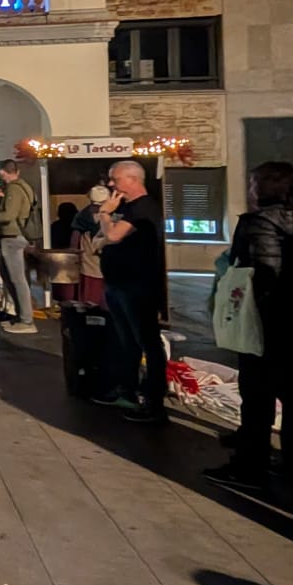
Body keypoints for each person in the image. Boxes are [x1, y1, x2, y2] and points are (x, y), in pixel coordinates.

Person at [205, 162, 293, 494]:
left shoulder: (259, 222)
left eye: (254, 183)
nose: (251, 189)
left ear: (266, 187)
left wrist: (251, 309)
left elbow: (264, 271)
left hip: (265, 314)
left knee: (256, 392)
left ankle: (250, 465)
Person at [96, 158, 166, 420]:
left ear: (133, 179)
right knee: (126, 341)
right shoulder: (130, 208)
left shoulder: (143, 208)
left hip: (137, 287)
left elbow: (114, 236)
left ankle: (153, 401)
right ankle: (126, 389)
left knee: (146, 341)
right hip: (120, 284)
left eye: (116, 179)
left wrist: (105, 213)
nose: (112, 184)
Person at [0, 159, 37, 333]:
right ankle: (21, 316)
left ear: (2, 172)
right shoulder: (25, 187)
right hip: (18, 236)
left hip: (12, 236)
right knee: (9, 276)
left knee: (17, 279)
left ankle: (27, 320)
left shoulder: (14, 188)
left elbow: (9, 215)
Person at [69, 185, 110, 308]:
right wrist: (74, 255)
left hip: (107, 261)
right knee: (92, 297)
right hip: (90, 261)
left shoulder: (115, 214)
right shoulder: (83, 216)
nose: (98, 208)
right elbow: (75, 236)